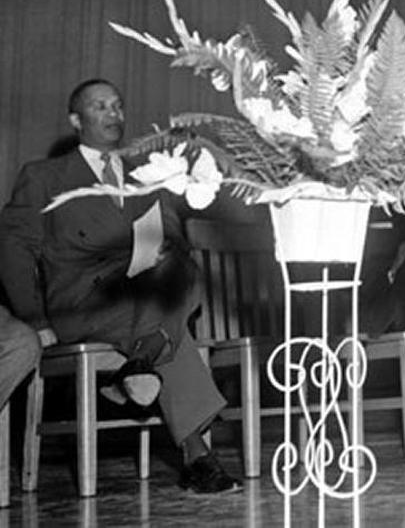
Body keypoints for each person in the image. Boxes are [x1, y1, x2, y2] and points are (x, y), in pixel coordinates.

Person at [0, 78, 240, 493]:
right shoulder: (45, 176)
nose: (113, 115)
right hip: (84, 303)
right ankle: (197, 454)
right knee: (171, 329)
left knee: (182, 269)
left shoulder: (145, 174)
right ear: (76, 119)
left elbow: (171, 235)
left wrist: (163, 251)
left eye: (117, 106)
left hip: (143, 294)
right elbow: (14, 246)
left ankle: (140, 364)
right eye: (100, 107)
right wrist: (34, 318)